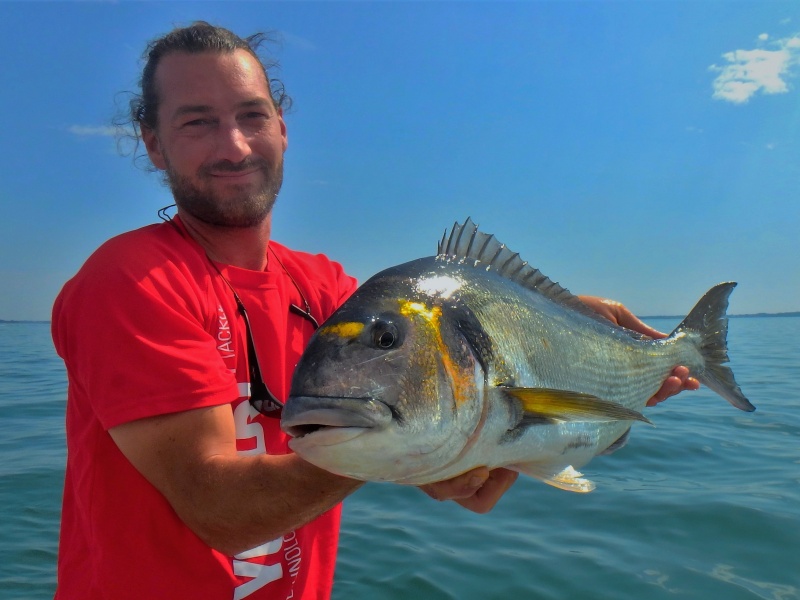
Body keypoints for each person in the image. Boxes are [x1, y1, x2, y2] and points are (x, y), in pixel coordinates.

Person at [51, 21, 698, 600]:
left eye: (252, 115)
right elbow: (221, 509)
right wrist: (397, 449)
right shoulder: (132, 281)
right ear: (154, 145)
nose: (235, 145)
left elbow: (432, 366)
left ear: (283, 127)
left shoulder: (325, 287)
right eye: (197, 122)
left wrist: (561, 341)